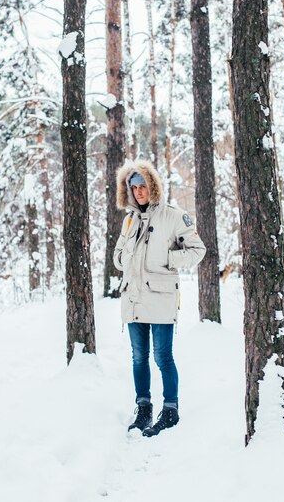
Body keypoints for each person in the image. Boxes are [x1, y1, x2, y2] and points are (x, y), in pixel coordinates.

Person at [113, 160, 206, 437]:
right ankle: (143, 408)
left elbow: (197, 250)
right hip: (133, 297)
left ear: (152, 186)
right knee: (138, 357)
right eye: (134, 187)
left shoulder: (174, 216)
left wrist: (168, 257)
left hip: (161, 296)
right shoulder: (129, 220)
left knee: (162, 356)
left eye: (143, 186)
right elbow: (119, 254)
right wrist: (123, 259)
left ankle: (170, 409)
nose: (139, 192)